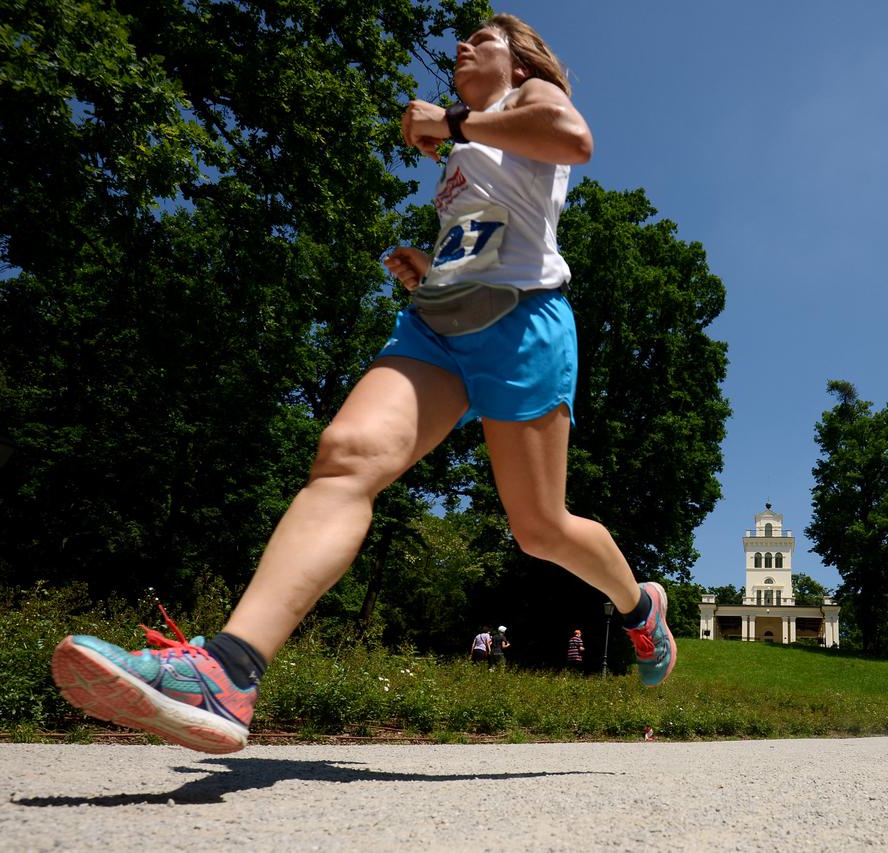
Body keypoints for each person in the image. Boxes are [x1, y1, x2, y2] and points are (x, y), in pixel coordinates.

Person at [49, 13, 676, 755]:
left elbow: (575, 142)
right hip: (437, 328)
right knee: (345, 453)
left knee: (539, 527)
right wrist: (430, 263)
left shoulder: (526, 105)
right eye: (461, 40)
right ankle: (227, 669)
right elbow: (486, 232)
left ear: (522, 60)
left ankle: (640, 609)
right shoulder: (465, 150)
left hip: (524, 324)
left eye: (484, 37)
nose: (463, 45)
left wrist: (453, 120)